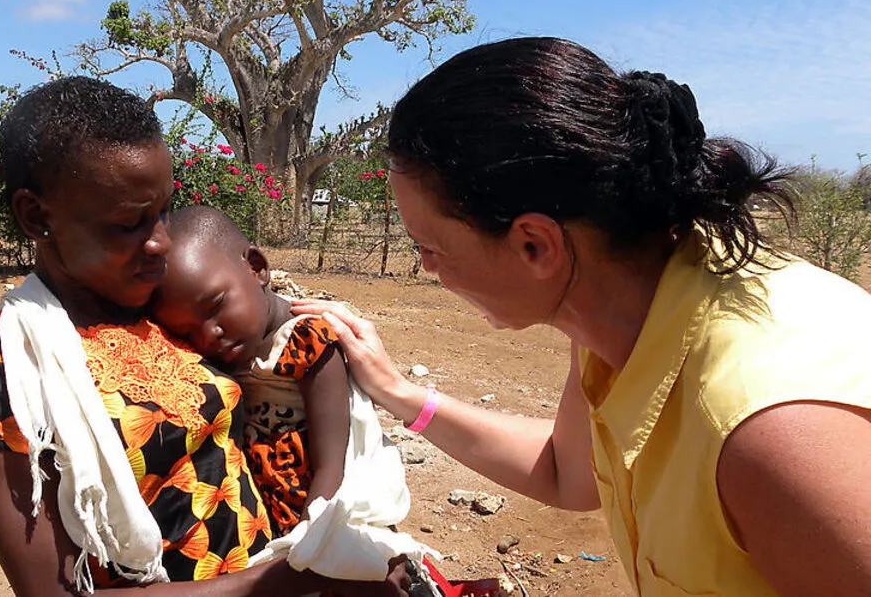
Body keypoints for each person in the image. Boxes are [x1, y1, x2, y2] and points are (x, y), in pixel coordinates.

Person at [294, 37, 871, 596]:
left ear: (535, 246)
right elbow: (566, 472)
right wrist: (397, 391)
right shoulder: (625, 308)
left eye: (433, 247)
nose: (424, 267)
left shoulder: (768, 433)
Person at [0, 76, 411, 597]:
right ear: (36, 217)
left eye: (163, 210)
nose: (161, 242)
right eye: (129, 224)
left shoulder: (165, 307)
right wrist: (291, 577)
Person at [149, 206, 352, 537]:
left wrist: (309, 547)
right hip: (263, 519)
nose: (207, 335)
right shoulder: (229, 357)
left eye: (214, 305)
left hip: (317, 521)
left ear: (256, 268)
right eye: (187, 332)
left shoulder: (307, 343)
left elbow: (333, 464)